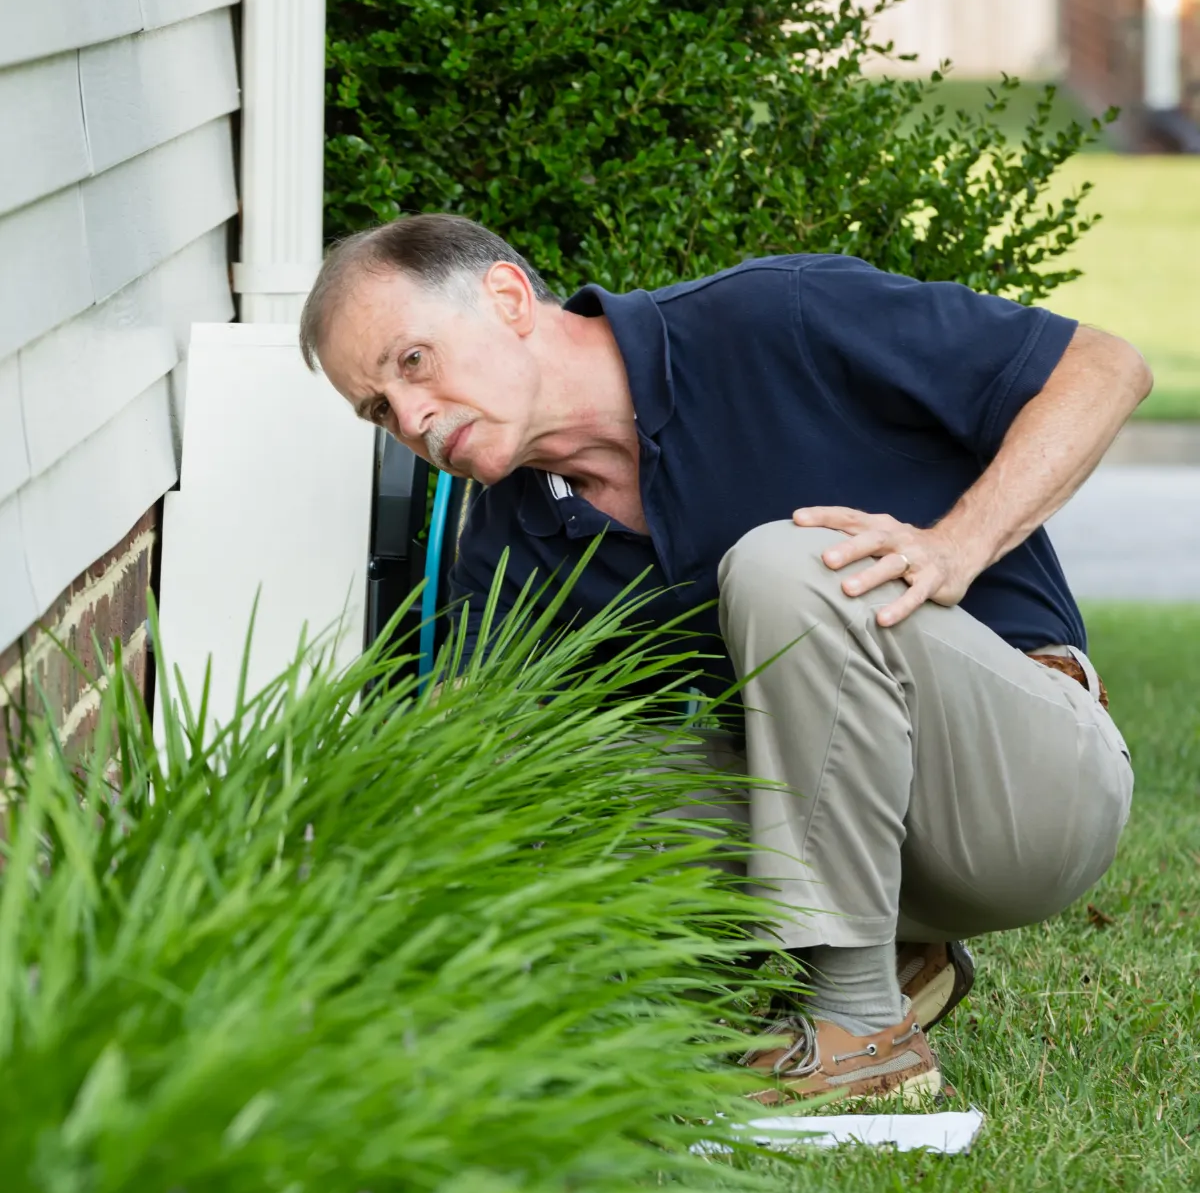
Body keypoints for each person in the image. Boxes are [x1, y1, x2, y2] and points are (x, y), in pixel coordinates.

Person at [301, 213, 1147, 1104]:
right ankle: (885, 955)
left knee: (787, 567)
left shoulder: (776, 317)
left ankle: (859, 1029)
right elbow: (464, 761)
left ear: (508, 298)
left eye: (413, 363)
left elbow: (1105, 368)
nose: (414, 420)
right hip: (869, 843)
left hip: (1029, 798)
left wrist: (955, 546)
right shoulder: (513, 545)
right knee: (526, 765)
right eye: (380, 410)